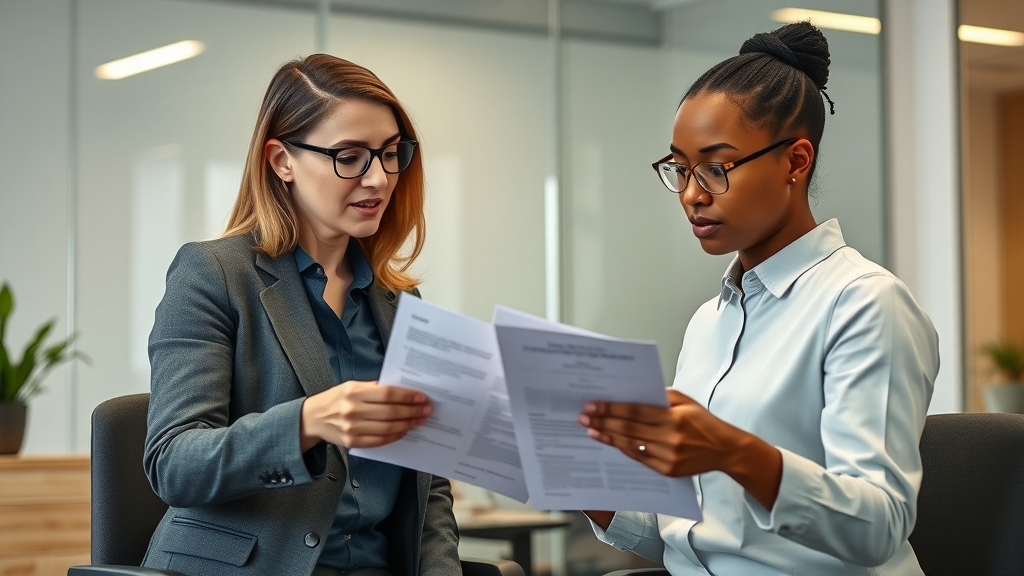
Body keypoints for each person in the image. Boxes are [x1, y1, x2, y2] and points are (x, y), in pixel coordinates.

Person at [577, 22, 939, 576]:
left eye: (716, 169)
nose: (692, 195)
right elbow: (697, 535)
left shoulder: (865, 305)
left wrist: (733, 452)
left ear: (796, 161)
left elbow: (878, 527)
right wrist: (583, 476)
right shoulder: (709, 321)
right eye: (679, 169)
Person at [142, 54, 461, 576]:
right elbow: (175, 464)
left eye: (389, 154)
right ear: (281, 160)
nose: (378, 178)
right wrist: (309, 421)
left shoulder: (399, 304)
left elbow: (432, 487)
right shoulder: (212, 274)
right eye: (350, 156)